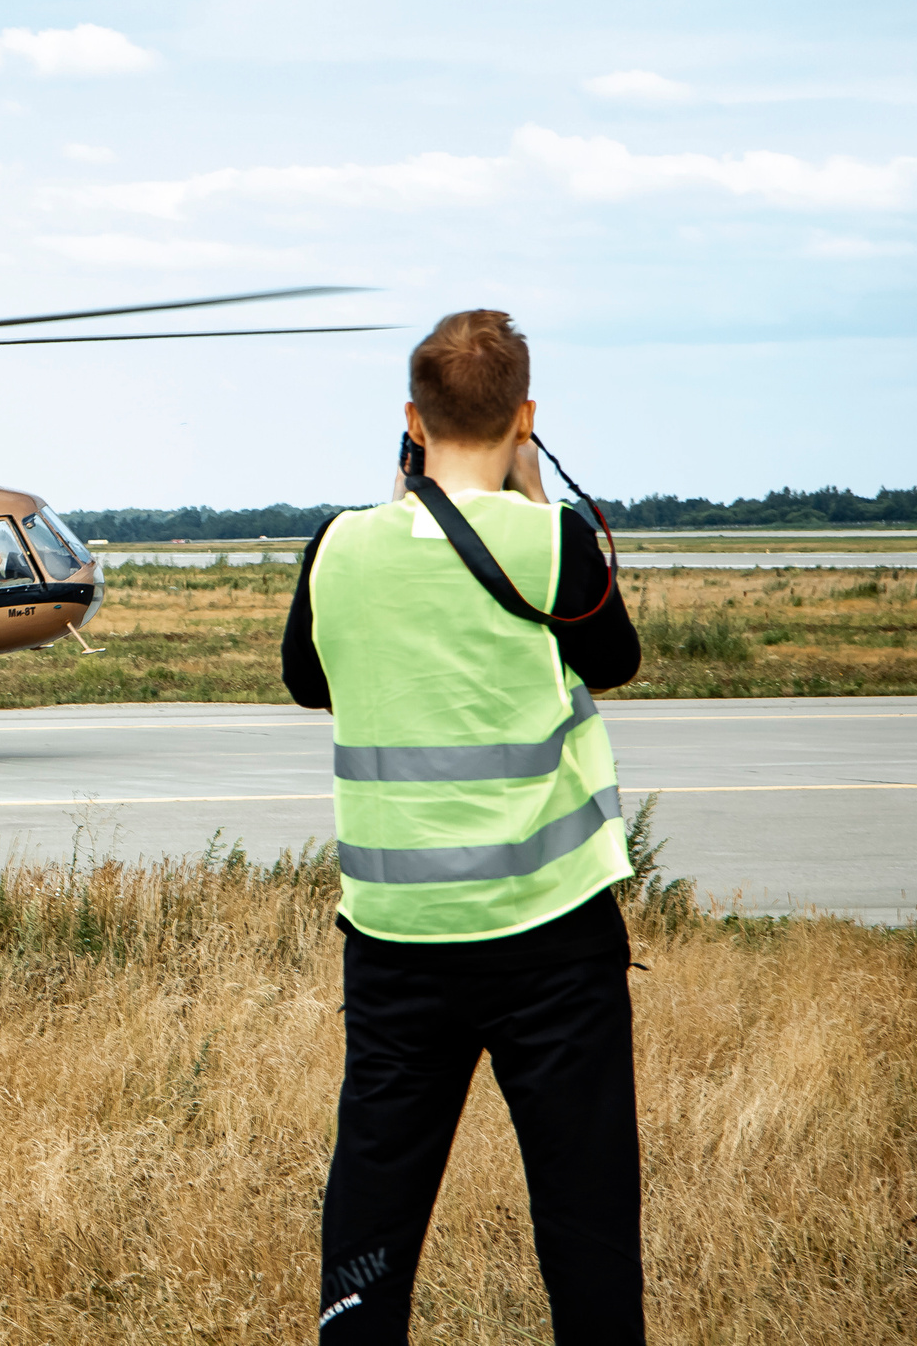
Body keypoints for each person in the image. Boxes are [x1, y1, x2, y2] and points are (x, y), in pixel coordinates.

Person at [281, 312, 644, 1343]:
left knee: (372, 1216)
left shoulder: (337, 549)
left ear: (410, 419)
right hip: (551, 937)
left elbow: (308, 679)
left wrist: (408, 506)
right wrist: (531, 498)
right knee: (584, 1217)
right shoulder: (552, 544)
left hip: (397, 942)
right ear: (525, 417)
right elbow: (611, 659)